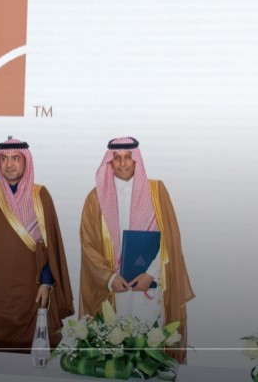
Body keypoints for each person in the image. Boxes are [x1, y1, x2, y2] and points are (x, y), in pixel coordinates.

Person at [79, 137, 194, 362]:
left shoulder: (156, 191)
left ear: (136, 160)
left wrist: (151, 273)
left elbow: (170, 240)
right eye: (117, 158)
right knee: (115, 352)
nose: (123, 163)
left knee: (149, 352)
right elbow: (88, 244)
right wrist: (110, 278)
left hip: (149, 288)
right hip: (114, 290)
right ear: (109, 162)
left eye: (128, 157)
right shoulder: (95, 198)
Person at [0, 139, 74, 350]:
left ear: (26, 161)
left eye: (15, 158)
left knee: (28, 354)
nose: (9, 164)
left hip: (30, 295)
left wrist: (47, 282)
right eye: (4, 159)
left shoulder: (40, 195)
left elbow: (52, 247)